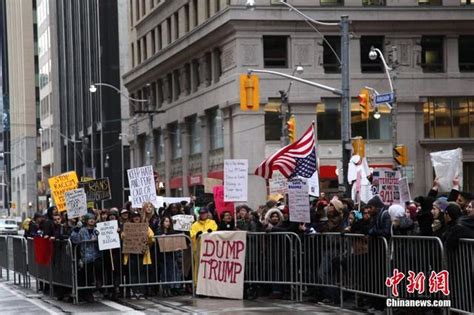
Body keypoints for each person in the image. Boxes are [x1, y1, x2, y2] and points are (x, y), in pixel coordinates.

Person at [122, 210, 155, 298]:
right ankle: (134, 290)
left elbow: (152, 237)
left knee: (142, 273)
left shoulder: (145, 227)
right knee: (133, 273)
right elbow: (123, 236)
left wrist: (148, 239)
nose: (136, 218)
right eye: (134, 217)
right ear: (132, 218)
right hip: (131, 254)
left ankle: (141, 291)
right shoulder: (128, 227)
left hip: (142, 254)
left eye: (138, 216)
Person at [70, 213, 102, 302]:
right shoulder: (82, 230)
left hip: (96, 254)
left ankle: (98, 281)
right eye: (90, 219)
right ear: (86, 221)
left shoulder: (97, 229)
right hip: (86, 256)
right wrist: (76, 228)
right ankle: (87, 294)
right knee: (87, 275)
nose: (92, 220)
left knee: (99, 266)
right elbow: (74, 239)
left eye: (93, 219)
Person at [189, 208, 218, 285]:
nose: (203, 214)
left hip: (210, 250)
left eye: (204, 213)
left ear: (207, 213)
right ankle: (197, 285)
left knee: (210, 268)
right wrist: (197, 235)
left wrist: (211, 233)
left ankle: (210, 286)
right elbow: (192, 235)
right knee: (198, 268)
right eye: (201, 213)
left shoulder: (212, 222)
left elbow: (215, 231)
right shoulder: (195, 224)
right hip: (198, 249)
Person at [157, 216, 183, 297]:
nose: (167, 223)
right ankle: (165, 289)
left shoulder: (172, 232)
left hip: (171, 255)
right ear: (162, 222)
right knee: (164, 272)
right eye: (166, 221)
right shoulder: (158, 232)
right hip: (162, 255)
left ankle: (170, 288)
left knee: (170, 272)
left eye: (168, 221)